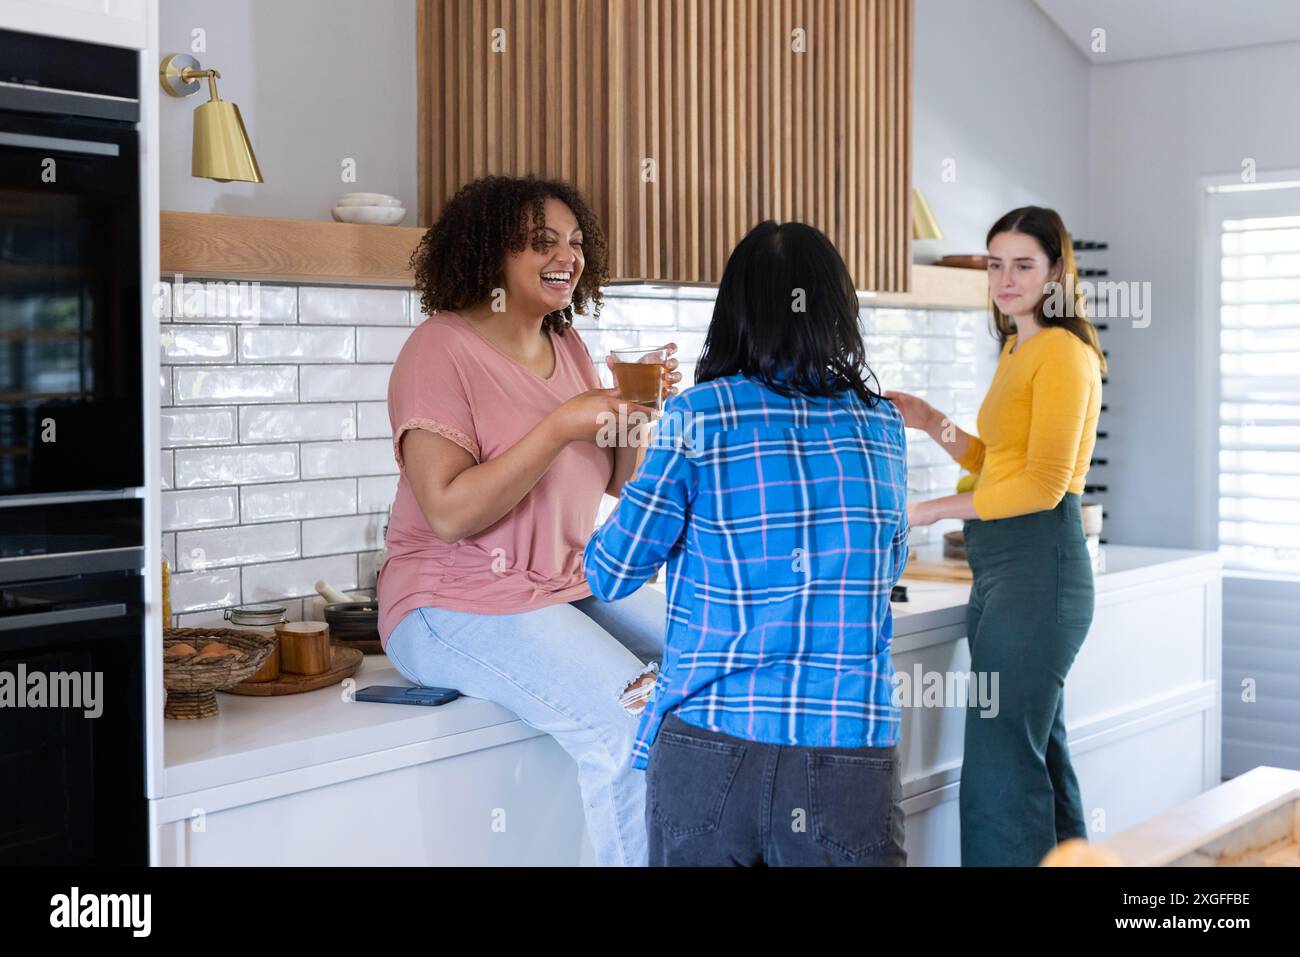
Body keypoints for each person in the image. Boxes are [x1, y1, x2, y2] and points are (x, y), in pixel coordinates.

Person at [377, 175, 681, 867]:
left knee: (715, 653)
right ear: (490, 253)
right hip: (449, 598)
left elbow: (616, 480)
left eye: (575, 242)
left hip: (564, 581)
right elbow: (450, 512)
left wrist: (638, 414)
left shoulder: (567, 344)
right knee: (631, 723)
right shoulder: (438, 350)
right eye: (542, 241)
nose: (567, 256)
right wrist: (557, 426)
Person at [584, 221, 910, 867]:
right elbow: (886, 561)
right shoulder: (882, 423)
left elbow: (613, 572)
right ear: (838, 311)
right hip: (845, 746)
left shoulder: (698, 415)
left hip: (712, 741)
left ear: (732, 311)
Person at [886, 206, 1106, 866]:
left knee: (1000, 768)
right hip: (1005, 571)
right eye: (995, 263)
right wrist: (930, 421)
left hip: (1042, 569)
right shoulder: (1019, 347)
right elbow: (998, 461)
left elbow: (1041, 486)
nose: (1005, 278)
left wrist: (926, 510)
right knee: (1035, 753)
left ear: (1056, 271)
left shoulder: (1065, 355)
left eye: (1023, 264)